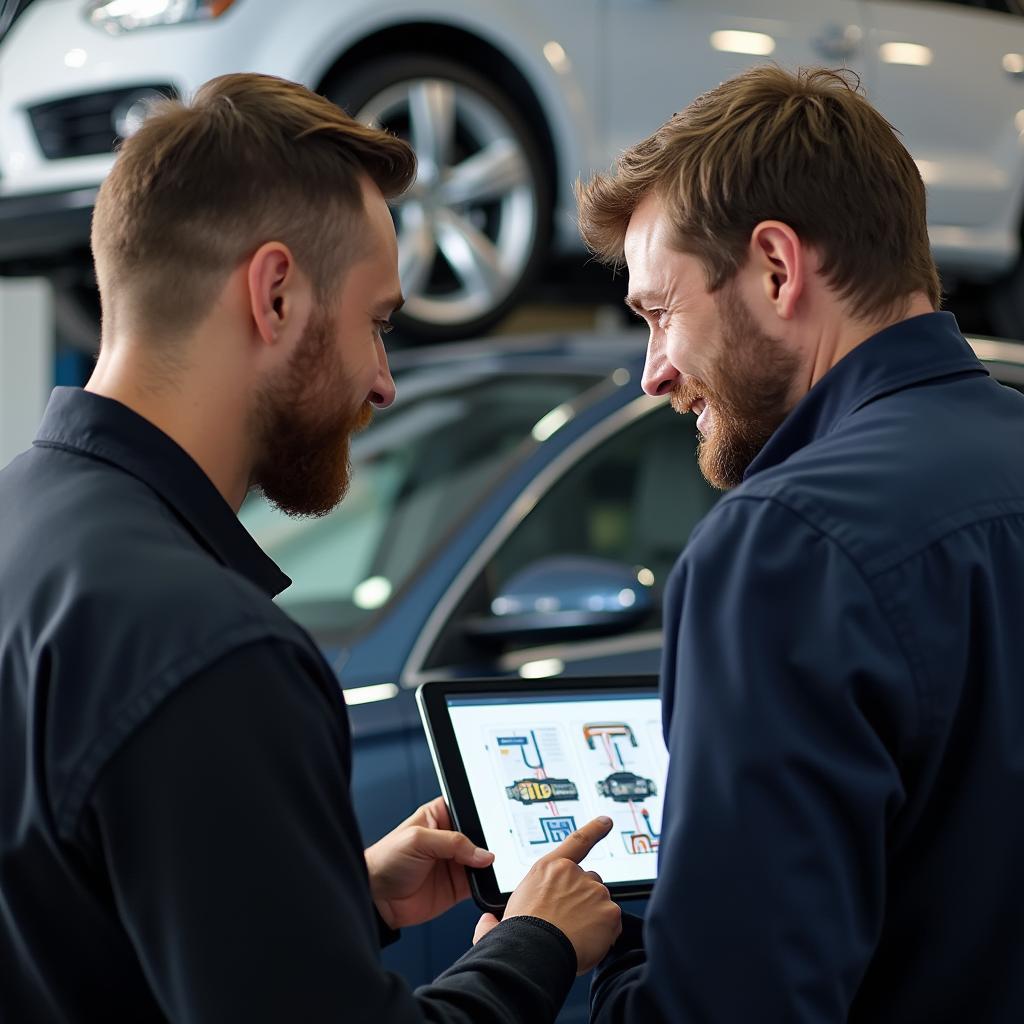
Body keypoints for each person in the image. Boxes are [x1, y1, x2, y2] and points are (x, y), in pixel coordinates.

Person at [0, 72, 622, 1023]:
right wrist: (538, 945)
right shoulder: (208, 647)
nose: (384, 383)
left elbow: (75, 920)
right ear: (277, 293)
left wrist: (345, 896)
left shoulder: (25, 532)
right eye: (376, 323)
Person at [576, 65, 1024, 1022]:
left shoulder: (784, 545)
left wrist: (595, 960)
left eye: (660, 312)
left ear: (777, 268)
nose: (654, 374)